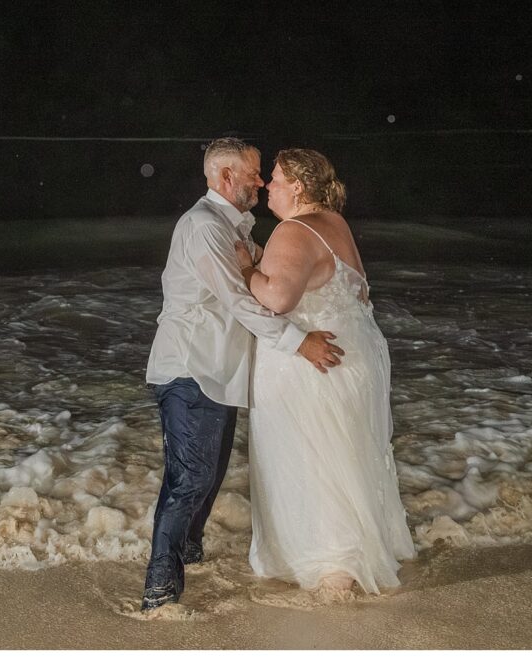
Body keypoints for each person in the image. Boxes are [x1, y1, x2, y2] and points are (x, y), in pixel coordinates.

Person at [142, 138, 345, 611]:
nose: (259, 181)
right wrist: (301, 342)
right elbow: (239, 299)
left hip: (220, 370)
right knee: (190, 478)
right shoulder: (203, 227)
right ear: (226, 177)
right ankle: (159, 588)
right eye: (254, 173)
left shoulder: (232, 225)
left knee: (208, 476)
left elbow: (265, 280)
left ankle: (189, 553)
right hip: (190, 367)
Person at [235, 148, 415, 593]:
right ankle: (353, 555)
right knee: (344, 456)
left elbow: (277, 299)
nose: (266, 186)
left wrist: (244, 269)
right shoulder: (335, 224)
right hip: (353, 358)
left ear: (297, 186)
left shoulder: (293, 230)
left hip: (314, 365)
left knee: (313, 461)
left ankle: (335, 570)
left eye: (274, 179)